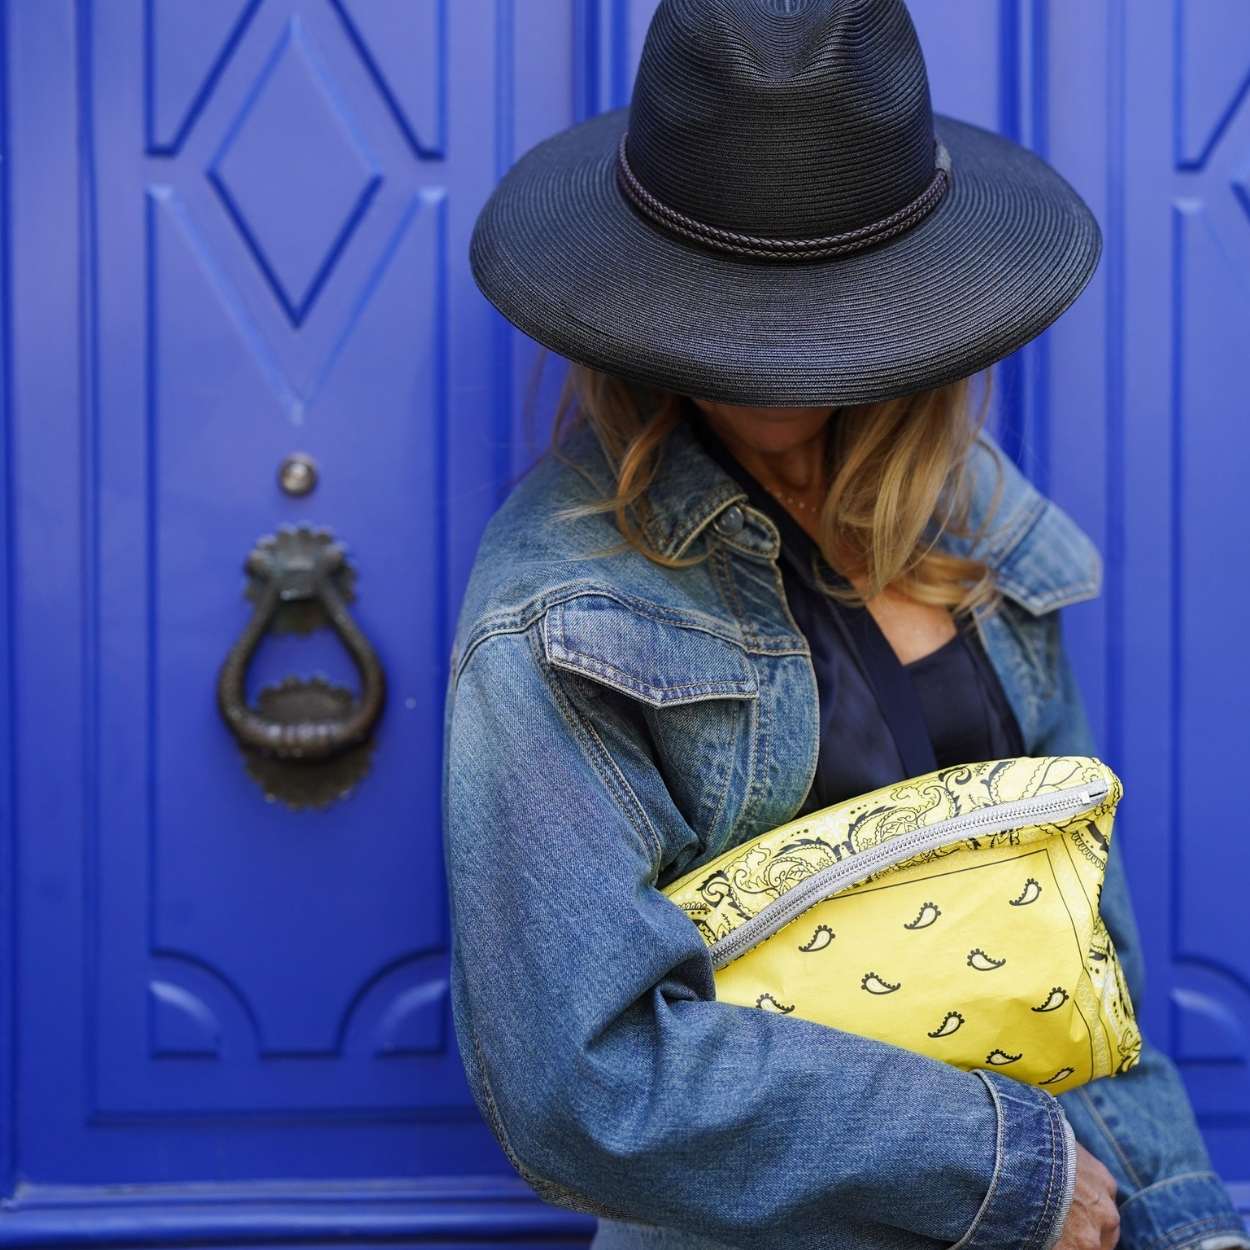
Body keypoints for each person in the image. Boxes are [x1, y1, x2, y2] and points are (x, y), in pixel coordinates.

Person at [441, 3, 1250, 1249]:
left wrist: (1175, 1215)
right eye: (737, 299)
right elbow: (583, 1076)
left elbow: (1088, 951)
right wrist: (999, 1167)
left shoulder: (974, 509)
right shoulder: (556, 604)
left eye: (826, 294)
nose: (784, 361)